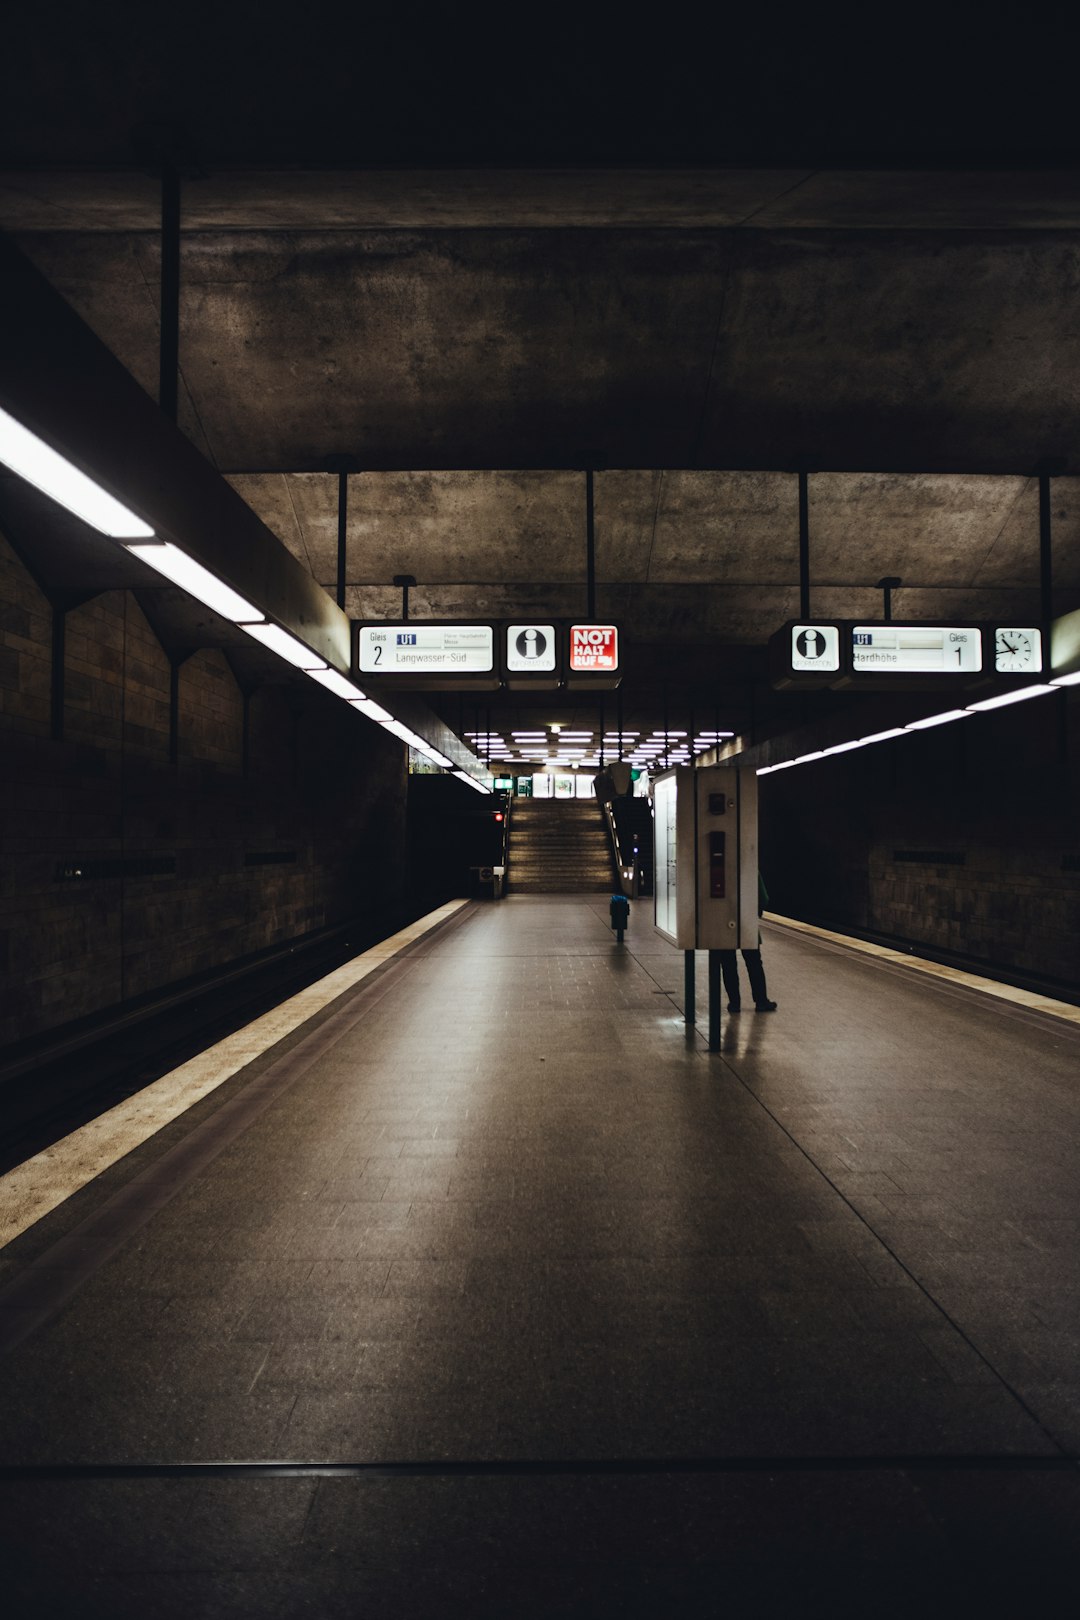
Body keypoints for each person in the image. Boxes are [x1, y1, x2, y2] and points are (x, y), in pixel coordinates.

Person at [719, 872, 777, 1012]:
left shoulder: (721, 867)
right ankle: (761, 1001)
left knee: (728, 964)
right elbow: (763, 897)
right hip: (747, 923)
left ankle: (734, 1003)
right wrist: (755, 911)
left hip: (724, 922)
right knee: (754, 963)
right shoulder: (749, 866)